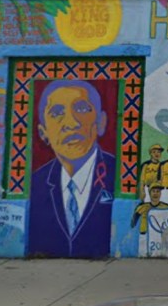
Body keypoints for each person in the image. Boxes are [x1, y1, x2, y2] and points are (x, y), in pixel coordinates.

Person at [28, 80, 116, 258]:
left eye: (82, 109)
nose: (71, 122)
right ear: (43, 132)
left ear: (101, 122)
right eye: (57, 112)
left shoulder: (119, 175)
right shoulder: (35, 184)